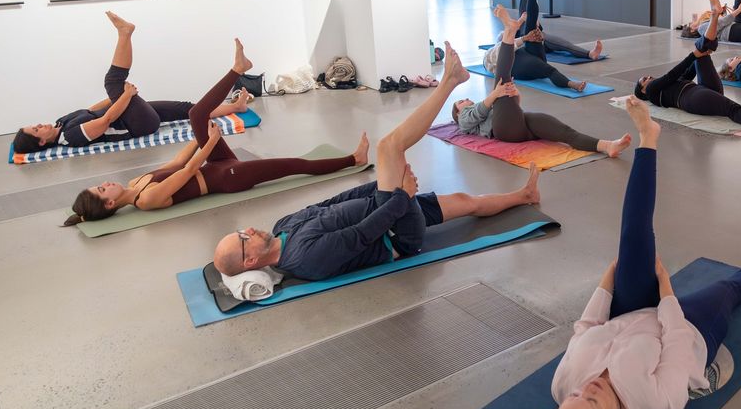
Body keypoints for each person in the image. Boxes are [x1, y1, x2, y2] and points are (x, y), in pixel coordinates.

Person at [532, 97, 741, 409]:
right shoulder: (658, 405)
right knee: (727, 292)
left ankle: (650, 138)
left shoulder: (562, 386)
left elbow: (586, 328)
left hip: (626, 315)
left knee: (632, 239)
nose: (587, 387)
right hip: (688, 330)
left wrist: (605, 283)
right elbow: (677, 343)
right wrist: (666, 291)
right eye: (592, 401)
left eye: (576, 395)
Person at [212, 43, 541, 282]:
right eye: (244, 237)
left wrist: (381, 187)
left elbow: (331, 204)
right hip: (396, 233)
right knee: (388, 148)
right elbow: (361, 234)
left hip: (385, 203)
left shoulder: (283, 226)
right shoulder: (305, 260)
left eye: (241, 230)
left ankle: (524, 196)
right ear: (251, 259)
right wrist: (400, 196)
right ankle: (450, 82)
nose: (249, 229)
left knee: (463, 202)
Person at [64, 40, 363, 225]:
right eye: (102, 190)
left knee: (196, 114)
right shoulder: (147, 200)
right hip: (227, 179)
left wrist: (199, 137)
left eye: (100, 185)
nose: (104, 183)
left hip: (214, 165)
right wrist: (211, 142)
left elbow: (178, 164)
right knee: (294, 166)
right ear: (110, 204)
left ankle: (237, 70)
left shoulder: (135, 182)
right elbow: (191, 169)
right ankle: (353, 159)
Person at [13, 11, 250, 155]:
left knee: (188, 108)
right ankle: (125, 33)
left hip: (130, 111)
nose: (40, 124)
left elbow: (93, 110)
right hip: (140, 124)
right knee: (113, 80)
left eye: (35, 124)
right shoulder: (71, 138)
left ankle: (236, 107)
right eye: (36, 129)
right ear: (42, 141)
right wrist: (124, 96)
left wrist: (118, 97)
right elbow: (105, 120)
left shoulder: (60, 123)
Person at [454, 6, 631, 158]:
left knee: (566, 133)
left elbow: (512, 109)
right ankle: (510, 30)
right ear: (458, 112)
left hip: (520, 123)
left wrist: (516, 96)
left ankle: (607, 146)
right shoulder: (464, 120)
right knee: (502, 79)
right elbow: (477, 113)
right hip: (504, 130)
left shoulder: (491, 105)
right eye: (460, 102)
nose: (465, 100)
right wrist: (495, 94)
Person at [636, 9, 741, 133]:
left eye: (647, 76)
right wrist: (693, 55)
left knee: (701, 51)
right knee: (731, 107)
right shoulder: (652, 92)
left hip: (704, 89)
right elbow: (671, 75)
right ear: (643, 91)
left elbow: (687, 72)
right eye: (644, 80)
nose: (649, 77)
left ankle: (713, 21)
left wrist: (699, 54)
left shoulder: (663, 86)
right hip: (694, 98)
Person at [483, 0, 589, 92]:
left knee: (531, 25)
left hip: (531, 57)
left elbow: (514, 39)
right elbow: (508, 45)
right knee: (549, 69)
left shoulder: (511, 46)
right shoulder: (492, 54)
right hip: (520, 65)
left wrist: (531, 34)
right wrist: (525, 37)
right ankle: (571, 84)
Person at [512, 0, 604, 62]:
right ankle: (590, 54)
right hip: (529, 43)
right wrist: (521, 21)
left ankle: (589, 54)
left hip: (539, 40)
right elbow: (504, 38)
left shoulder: (524, 23)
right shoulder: (509, 36)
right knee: (530, 25)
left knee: (560, 42)